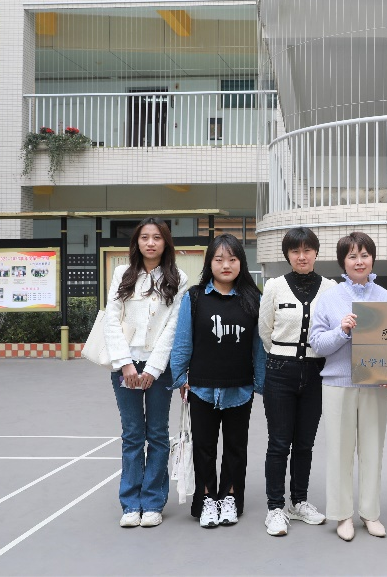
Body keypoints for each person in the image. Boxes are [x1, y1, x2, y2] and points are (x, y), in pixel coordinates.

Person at [170, 234, 265, 528]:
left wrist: (260, 384)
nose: (226, 265)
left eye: (232, 259)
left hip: (240, 387)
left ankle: (230, 498)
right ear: (209, 263)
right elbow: (183, 341)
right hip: (201, 388)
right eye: (219, 259)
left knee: (236, 448)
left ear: (241, 263)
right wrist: (180, 377)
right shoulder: (194, 298)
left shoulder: (254, 299)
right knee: (204, 448)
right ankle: (208, 499)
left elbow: (259, 347)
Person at [309, 232, 387, 541]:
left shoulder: (385, 297)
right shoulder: (329, 297)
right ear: (343, 262)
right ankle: (342, 514)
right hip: (338, 383)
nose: (359, 261)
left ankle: (371, 513)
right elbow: (317, 343)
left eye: (365, 255)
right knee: (339, 452)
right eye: (352, 256)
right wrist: (342, 331)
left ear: (372, 259)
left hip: (374, 386)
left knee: (373, 450)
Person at [105, 217, 188, 528]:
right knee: (132, 435)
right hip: (125, 365)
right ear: (136, 242)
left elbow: (173, 327)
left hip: (159, 368)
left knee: (157, 434)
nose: (150, 243)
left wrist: (153, 368)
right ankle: (130, 504)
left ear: (166, 242)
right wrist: (125, 363)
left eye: (157, 237)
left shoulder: (178, 278)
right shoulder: (122, 274)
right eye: (144, 237)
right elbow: (112, 319)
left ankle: (152, 502)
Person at [259, 227, 335, 536]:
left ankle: (299, 502)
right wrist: (283, 355)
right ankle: (275, 507)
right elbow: (265, 331)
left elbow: (331, 329)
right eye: (295, 251)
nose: (301, 256)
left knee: (305, 442)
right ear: (287, 255)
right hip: (280, 370)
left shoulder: (330, 288)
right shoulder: (274, 286)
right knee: (279, 443)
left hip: (316, 371)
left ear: (316, 253)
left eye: (307, 250)